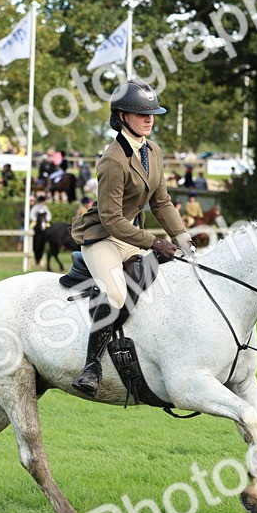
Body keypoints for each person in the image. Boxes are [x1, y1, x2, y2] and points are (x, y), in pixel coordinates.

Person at [69, 79, 192, 397]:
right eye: (142, 114)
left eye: (152, 114)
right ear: (122, 116)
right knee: (116, 293)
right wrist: (154, 242)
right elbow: (111, 219)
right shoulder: (112, 159)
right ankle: (91, 367)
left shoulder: (154, 151)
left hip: (131, 236)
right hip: (103, 238)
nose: (149, 119)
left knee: (166, 282)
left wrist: (184, 241)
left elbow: (161, 203)